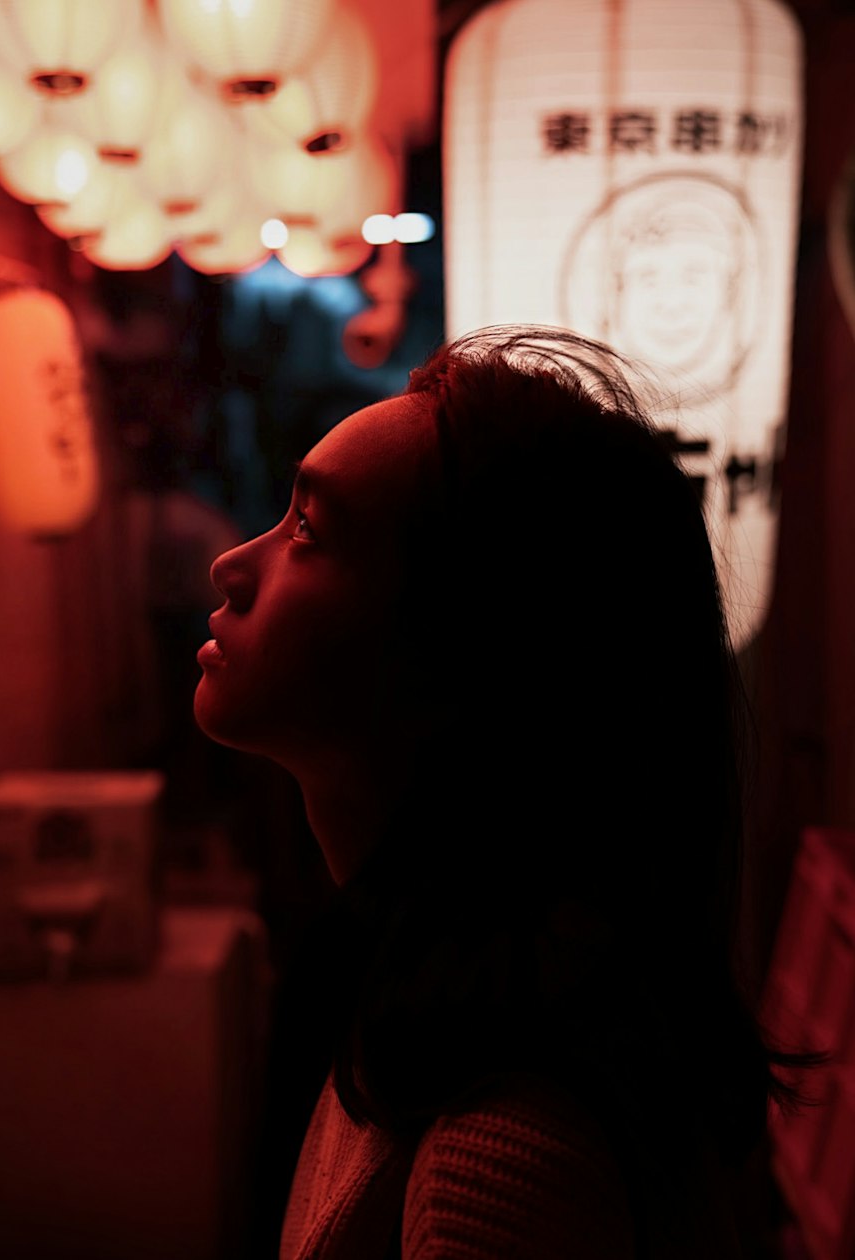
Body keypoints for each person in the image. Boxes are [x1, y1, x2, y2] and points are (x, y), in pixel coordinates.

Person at [193, 326, 810, 1259]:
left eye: (308, 531)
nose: (232, 565)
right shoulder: (425, 993)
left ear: (474, 654)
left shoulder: (507, 1155)